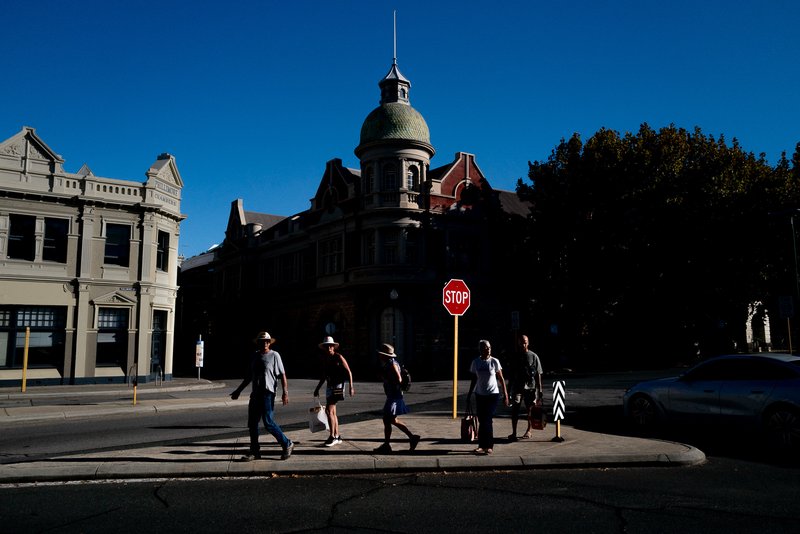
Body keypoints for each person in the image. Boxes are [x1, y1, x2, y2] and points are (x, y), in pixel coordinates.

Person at [230, 331, 294, 461]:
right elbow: (249, 376)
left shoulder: (274, 355)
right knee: (252, 424)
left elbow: (282, 375)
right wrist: (238, 390)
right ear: (258, 343)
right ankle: (255, 451)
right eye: (262, 341)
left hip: (268, 393)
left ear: (269, 343)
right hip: (255, 394)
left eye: (267, 341)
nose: (265, 343)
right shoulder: (254, 356)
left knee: (268, 423)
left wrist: (285, 393)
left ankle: (287, 443)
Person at [374, 343, 420, 453]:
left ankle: (388, 444)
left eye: (381, 354)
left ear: (385, 355)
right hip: (393, 395)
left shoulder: (392, 364)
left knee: (388, 419)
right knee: (391, 420)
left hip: (394, 396)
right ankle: (411, 438)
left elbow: (399, 379)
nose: (379, 356)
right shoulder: (390, 363)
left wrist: (388, 379)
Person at [467, 339, 509, 455]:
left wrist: (505, 394)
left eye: (489, 347)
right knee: (481, 420)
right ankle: (481, 445)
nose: (488, 349)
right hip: (480, 394)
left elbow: (501, 379)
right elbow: (474, 379)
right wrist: (470, 393)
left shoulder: (494, 362)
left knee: (487, 419)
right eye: (486, 348)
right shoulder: (476, 362)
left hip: (492, 395)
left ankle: (489, 445)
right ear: (481, 349)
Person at [313, 336, 355, 447]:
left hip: (338, 386)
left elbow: (349, 372)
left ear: (333, 347)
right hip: (330, 386)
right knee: (333, 412)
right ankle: (337, 435)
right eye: (326, 346)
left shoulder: (338, 357)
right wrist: (317, 388)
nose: (329, 348)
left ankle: (332, 436)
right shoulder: (325, 359)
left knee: (329, 410)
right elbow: (323, 376)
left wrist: (351, 386)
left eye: (330, 346)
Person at [507, 334, 544, 441]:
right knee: (515, 410)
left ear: (528, 343)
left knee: (530, 410)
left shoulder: (533, 356)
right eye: (522, 342)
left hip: (530, 388)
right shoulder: (515, 356)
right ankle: (514, 432)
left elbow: (538, 374)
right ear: (518, 343)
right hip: (517, 387)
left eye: (525, 342)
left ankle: (529, 431)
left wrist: (540, 390)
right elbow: (511, 375)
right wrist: (508, 391)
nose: (524, 344)